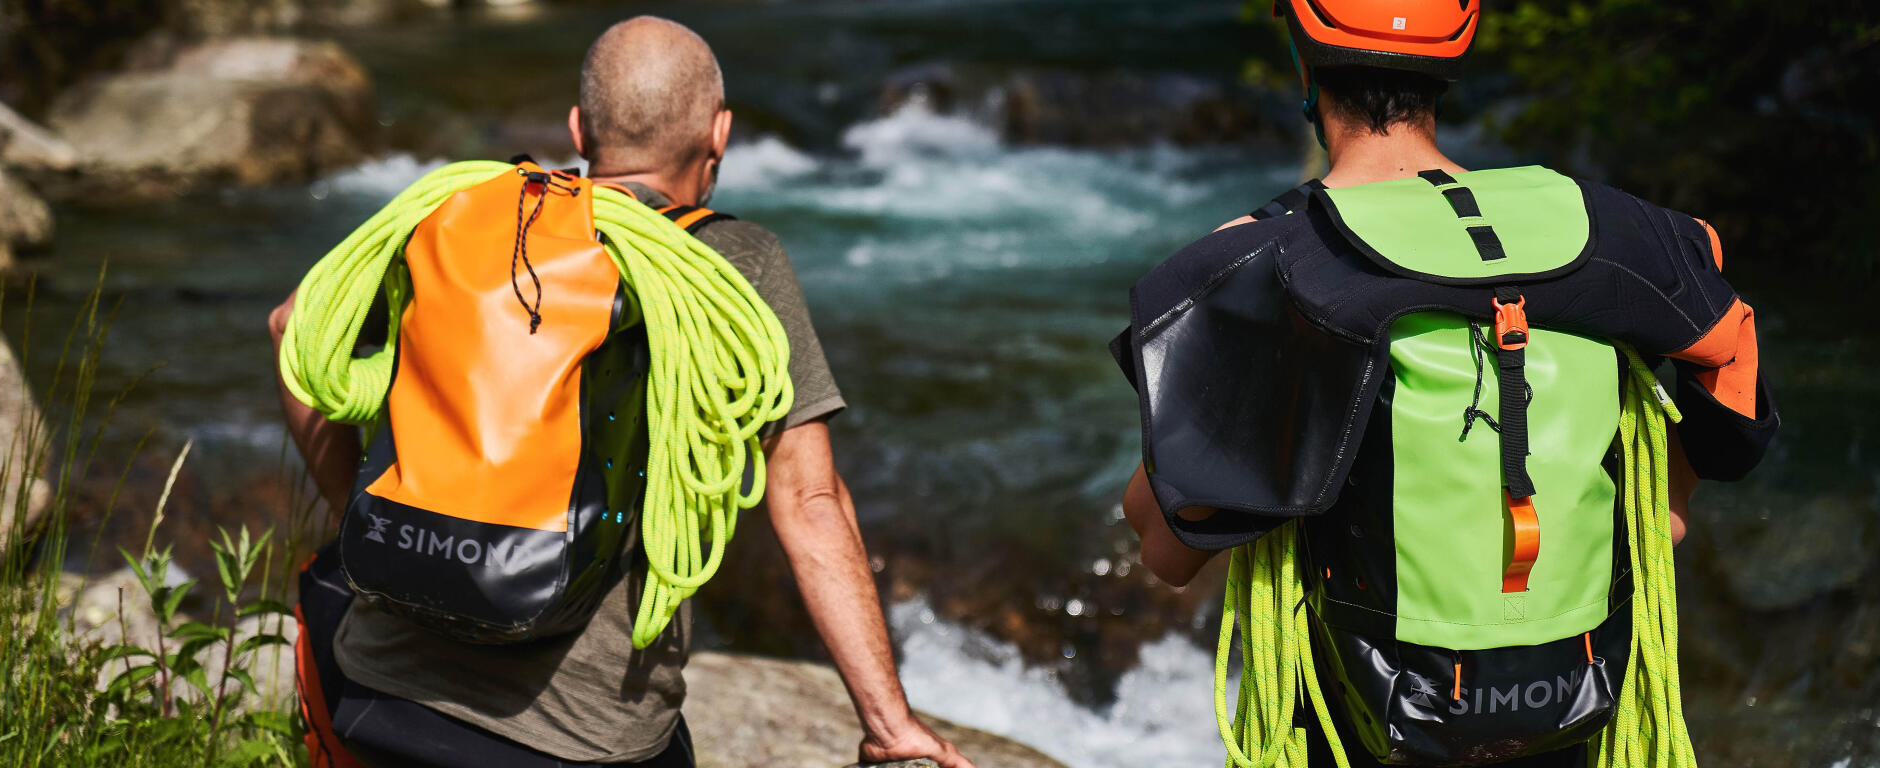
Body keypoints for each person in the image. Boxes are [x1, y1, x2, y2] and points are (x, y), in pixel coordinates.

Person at [268, 16, 971, 768]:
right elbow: (809, 501)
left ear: (578, 127)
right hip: (584, 740)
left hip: (381, 695)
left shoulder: (460, 216)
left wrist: (358, 520)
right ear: (720, 134)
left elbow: (293, 329)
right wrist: (888, 723)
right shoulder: (732, 261)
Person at [1112, 1, 1777, 766]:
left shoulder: (1266, 260)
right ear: (1448, 66)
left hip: (1373, 712)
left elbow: (1166, 542)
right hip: (1579, 683)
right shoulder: (1623, 230)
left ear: (1304, 65)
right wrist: (1668, 499)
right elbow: (1734, 362)